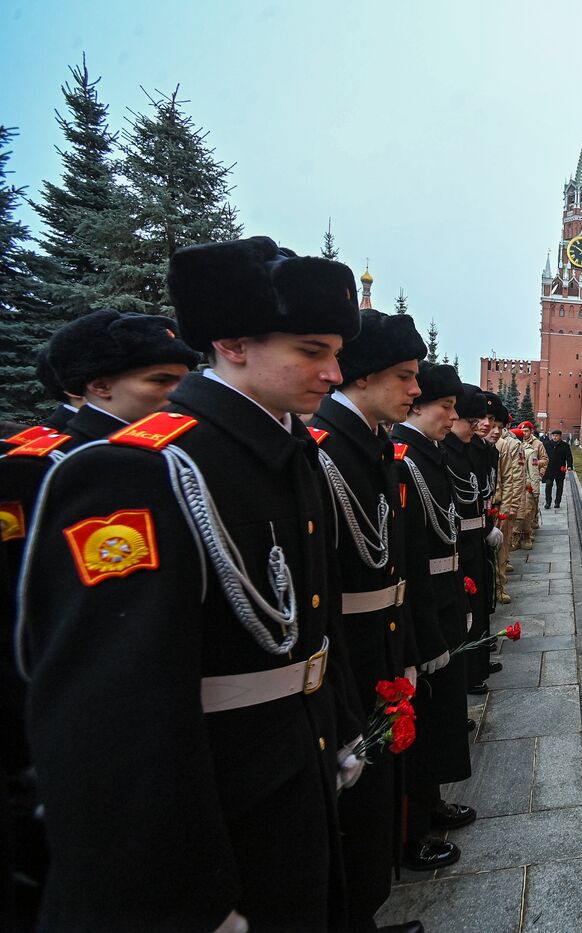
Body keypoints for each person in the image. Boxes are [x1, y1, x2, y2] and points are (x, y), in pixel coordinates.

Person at [17, 235, 361, 931]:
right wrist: (178, 898)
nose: (333, 372)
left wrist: (339, 724)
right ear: (233, 343)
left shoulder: (288, 454)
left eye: (335, 352)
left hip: (290, 782)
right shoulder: (141, 472)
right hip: (211, 826)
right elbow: (110, 722)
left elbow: (313, 622)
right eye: (311, 350)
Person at [0, 309, 199, 931]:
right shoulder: (37, 468)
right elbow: (21, 618)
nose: (178, 398)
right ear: (97, 386)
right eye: (159, 384)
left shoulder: (168, 455)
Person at [308, 309, 427, 933]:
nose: (416, 389)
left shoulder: (372, 446)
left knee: (376, 798)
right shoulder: (325, 451)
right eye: (404, 377)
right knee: (353, 813)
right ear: (363, 378)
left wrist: (403, 647)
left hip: (378, 643)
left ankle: (367, 913)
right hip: (346, 654)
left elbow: (391, 565)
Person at [390, 362, 476, 872]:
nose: (451, 417)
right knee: (422, 721)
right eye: (445, 408)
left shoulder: (428, 455)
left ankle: (432, 801)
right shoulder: (407, 459)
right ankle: (414, 824)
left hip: (442, 595)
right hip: (421, 604)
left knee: (441, 712)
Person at [444, 385, 504, 697]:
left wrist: (488, 525)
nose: (484, 424)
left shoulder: (472, 450)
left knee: (481, 606)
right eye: (478, 418)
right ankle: (471, 670)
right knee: (469, 612)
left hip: (476, 537)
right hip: (462, 543)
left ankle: (478, 662)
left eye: (489, 418)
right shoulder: (450, 451)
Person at [493, 414, 525, 604]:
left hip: (502, 504)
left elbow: (513, 476)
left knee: (501, 547)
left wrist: (511, 507)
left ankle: (499, 586)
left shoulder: (508, 444)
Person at [515, 421, 546, 550]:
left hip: (531, 479)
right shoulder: (514, 446)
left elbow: (545, 460)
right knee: (520, 511)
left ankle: (529, 532)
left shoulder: (537, 444)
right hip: (518, 483)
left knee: (529, 509)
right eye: (522, 431)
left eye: (526, 431)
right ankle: (519, 535)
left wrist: (538, 472)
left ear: (531, 431)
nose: (524, 433)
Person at [542, 428, 572, 509]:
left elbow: (569, 457)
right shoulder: (547, 444)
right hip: (549, 469)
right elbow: (542, 455)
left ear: (560, 436)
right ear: (551, 436)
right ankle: (548, 502)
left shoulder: (565, 445)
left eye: (557, 436)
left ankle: (557, 502)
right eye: (554, 435)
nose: (555, 437)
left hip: (560, 469)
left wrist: (569, 466)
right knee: (548, 485)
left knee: (560, 486)